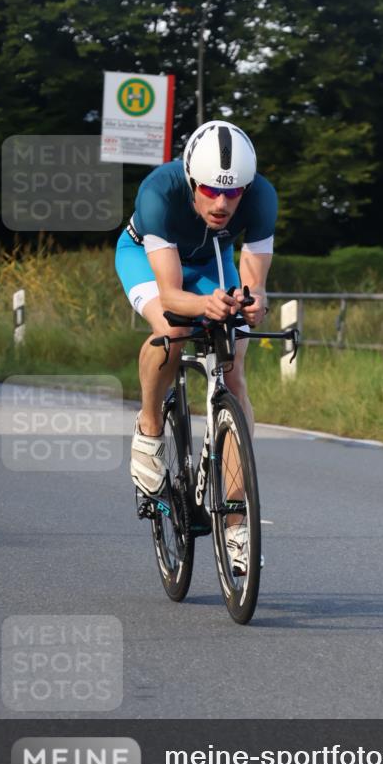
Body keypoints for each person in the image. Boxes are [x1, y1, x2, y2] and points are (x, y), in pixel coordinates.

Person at [115, 120, 276, 573]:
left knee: (235, 369)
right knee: (173, 331)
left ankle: (236, 523)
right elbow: (170, 294)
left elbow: (255, 281)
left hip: (210, 261)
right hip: (146, 259)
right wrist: (206, 304)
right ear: (191, 180)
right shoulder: (159, 192)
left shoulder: (262, 196)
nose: (222, 204)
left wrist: (253, 303)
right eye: (210, 191)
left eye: (233, 192)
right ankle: (150, 427)